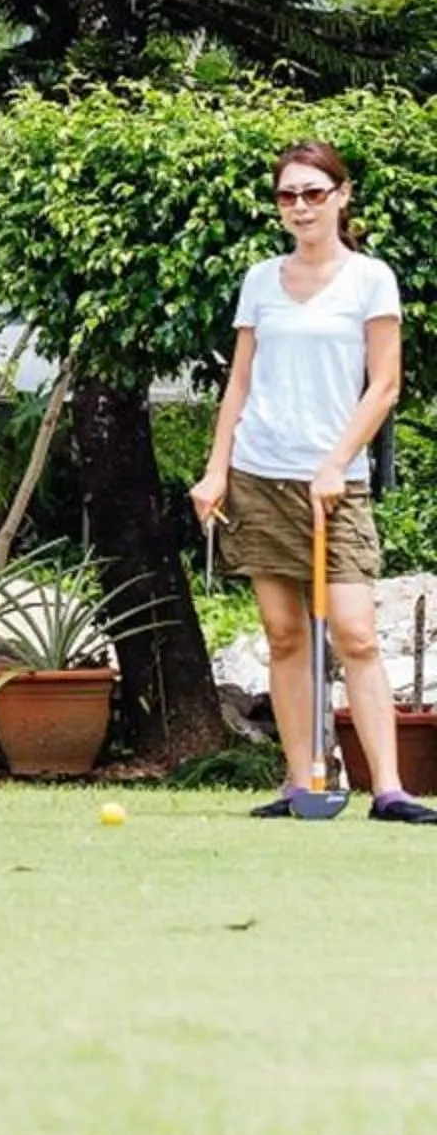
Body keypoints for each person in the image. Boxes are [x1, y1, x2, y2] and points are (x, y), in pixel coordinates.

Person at [190, 141, 435, 823]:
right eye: (288, 195)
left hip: (337, 482)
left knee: (355, 632)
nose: (299, 206)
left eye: (312, 193)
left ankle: (388, 788)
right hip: (260, 472)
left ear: (341, 195)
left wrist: (335, 463)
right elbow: (239, 382)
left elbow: (384, 385)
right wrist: (216, 470)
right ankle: (302, 782)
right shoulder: (261, 281)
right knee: (284, 633)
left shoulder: (370, 279)